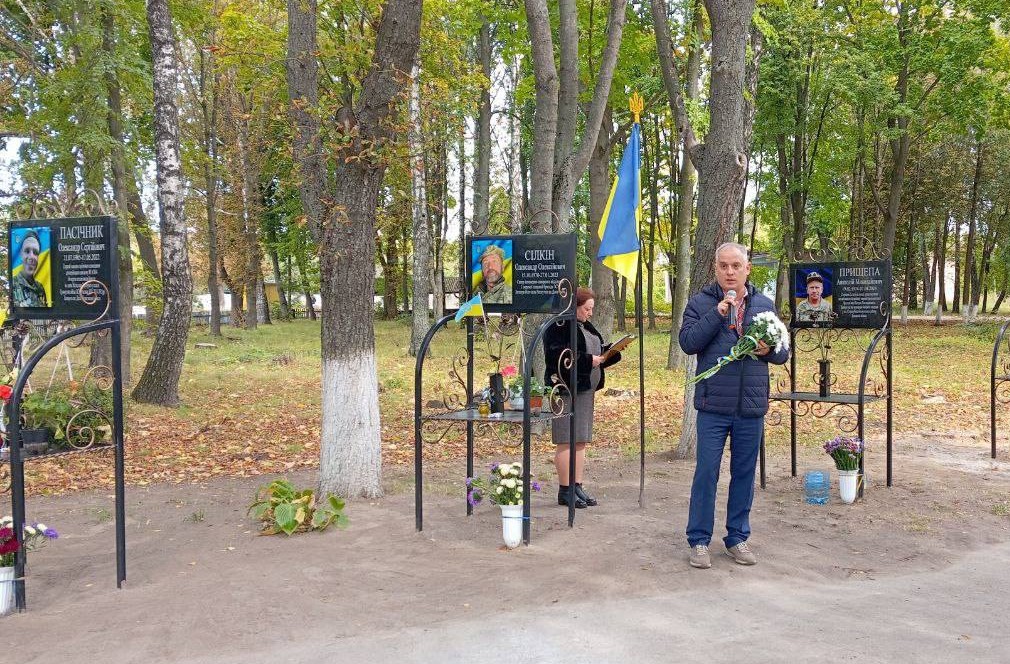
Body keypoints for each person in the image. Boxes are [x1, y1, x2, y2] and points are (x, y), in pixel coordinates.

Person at [679, 242, 789, 569]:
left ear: (747, 269)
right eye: (724, 266)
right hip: (713, 404)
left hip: (750, 406)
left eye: (736, 266)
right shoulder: (700, 303)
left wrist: (769, 350)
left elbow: (783, 352)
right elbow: (688, 343)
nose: (730, 272)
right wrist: (717, 314)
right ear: (715, 269)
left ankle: (737, 537)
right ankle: (699, 541)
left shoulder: (764, 304)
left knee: (743, 473)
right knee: (706, 472)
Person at [543, 287, 621, 508]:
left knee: (580, 440)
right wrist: (589, 360)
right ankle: (564, 489)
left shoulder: (585, 325)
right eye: (587, 309)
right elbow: (558, 357)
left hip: (585, 390)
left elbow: (594, 351)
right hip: (566, 390)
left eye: (592, 309)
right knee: (566, 439)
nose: (590, 313)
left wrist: (611, 353)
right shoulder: (558, 326)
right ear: (575, 306)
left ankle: (576, 485)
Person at [11, 230, 48, 308]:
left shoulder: (40, 288)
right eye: (27, 251)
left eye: (35, 252)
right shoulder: (13, 284)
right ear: (21, 254)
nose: (31, 257)